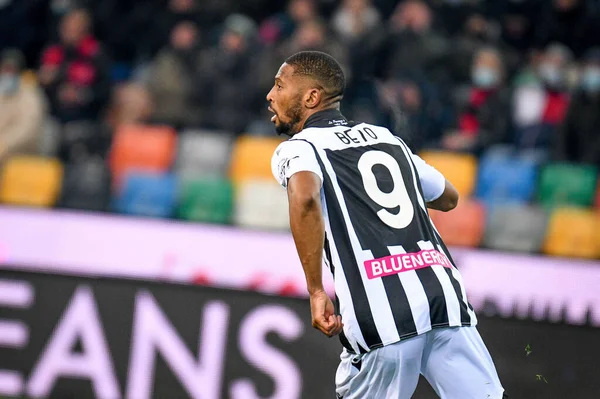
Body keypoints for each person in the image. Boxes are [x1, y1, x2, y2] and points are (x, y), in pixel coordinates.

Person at [267, 51, 505, 399]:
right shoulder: (386, 138)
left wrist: (317, 291)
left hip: (382, 313)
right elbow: (449, 197)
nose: (270, 95)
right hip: (443, 297)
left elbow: (304, 197)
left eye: (279, 85)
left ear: (311, 97)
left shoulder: (299, 148)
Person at [0, 49, 47, 164]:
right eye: (5, 69)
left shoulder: (30, 94)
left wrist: (4, 142)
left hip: (20, 153)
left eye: (12, 69)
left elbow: (27, 128)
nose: (8, 73)